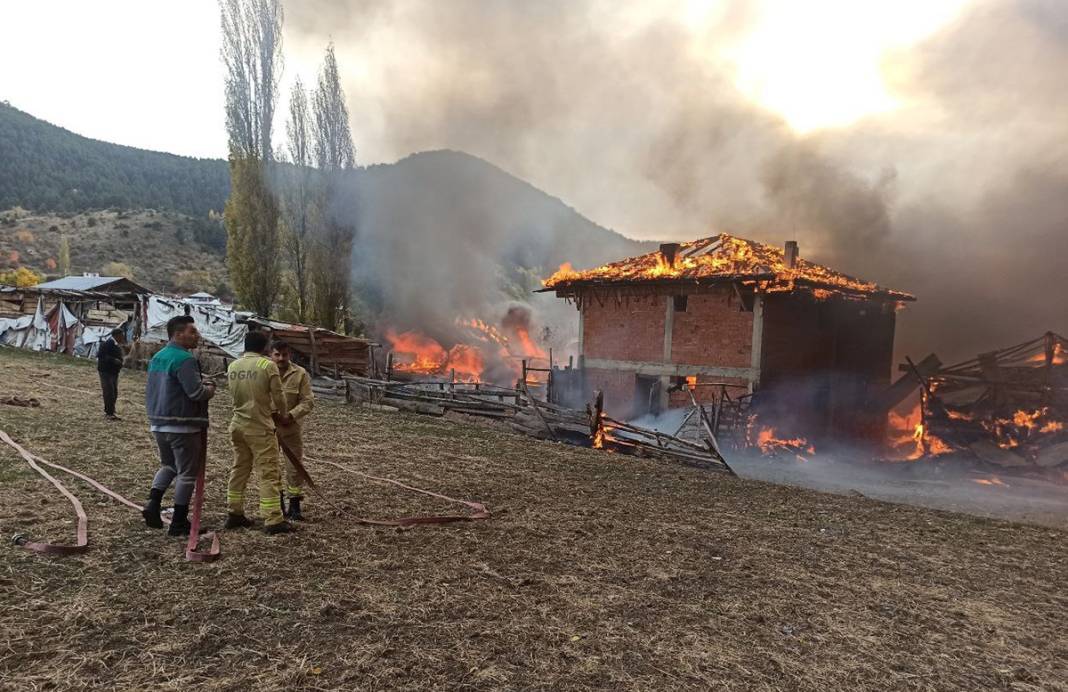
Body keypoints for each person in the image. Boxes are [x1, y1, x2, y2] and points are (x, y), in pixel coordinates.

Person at [141, 315, 216, 537]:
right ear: (178, 333)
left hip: (159, 423)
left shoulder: (158, 357)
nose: (197, 336)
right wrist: (210, 386)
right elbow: (196, 393)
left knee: (169, 466)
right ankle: (179, 522)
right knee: (187, 473)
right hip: (182, 425)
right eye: (192, 332)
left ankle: (153, 504)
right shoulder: (185, 359)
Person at [225, 330, 295, 534]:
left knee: (239, 469)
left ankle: (234, 512)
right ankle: (273, 519)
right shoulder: (267, 365)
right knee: (268, 472)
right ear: (265, 347)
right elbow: (279, 396)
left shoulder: (233, 366)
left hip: (237, 425)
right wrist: (282, 414)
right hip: (260, 427)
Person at [269, 340, 314, 520]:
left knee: (294, 467)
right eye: (277, 355)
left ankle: (294, 506)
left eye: (284, 355)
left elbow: (308, 401)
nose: (281, 358)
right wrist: (272, 415)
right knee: (271, 468)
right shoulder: (263, 372)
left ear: (290, 355)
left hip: (291, 429)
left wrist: (291, 416)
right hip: (268, 429)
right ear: (270, 355)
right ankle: (277, 505)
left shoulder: (300, 374)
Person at [97, 327, 126, 420]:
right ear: (116, 336)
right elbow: (101, 355)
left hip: (113, 372)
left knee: (114, 392)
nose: (123, 337)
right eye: (121, 335)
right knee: (109, 392)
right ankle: (108, 413)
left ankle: (111, 411)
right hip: (106, 371)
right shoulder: (108, 343)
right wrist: (114, 360)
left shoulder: (116, 344)